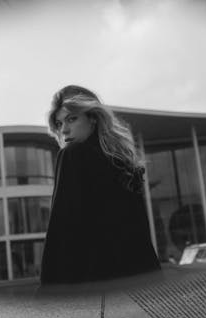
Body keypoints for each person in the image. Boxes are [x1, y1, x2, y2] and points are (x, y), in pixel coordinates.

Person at [40, 85, 161, 285]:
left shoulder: (72, 155)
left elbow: (61, 230)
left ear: (93, 118)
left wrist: (48, 288)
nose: (64, 130)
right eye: (60, 123)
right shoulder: (125, 164)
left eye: (72, 119)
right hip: (144, 278)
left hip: (99, 283)